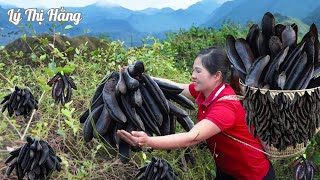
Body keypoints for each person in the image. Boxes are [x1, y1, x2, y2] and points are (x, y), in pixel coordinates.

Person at [117, 47, 276, 179]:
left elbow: (191, 138)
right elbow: (177, 87)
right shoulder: (206, 91)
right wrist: (143, 77)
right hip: (227, 170)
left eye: (198, 71)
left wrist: (147, 141)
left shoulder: (226, 107)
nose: (193, 75)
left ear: (216, 75)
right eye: (193, 70)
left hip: (252, 174)